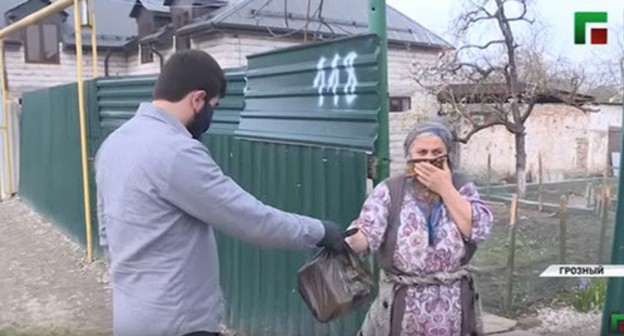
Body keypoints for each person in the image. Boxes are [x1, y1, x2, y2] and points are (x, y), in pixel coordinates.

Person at [94, 50, 347, 336]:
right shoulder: (177, 151)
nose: (211, 114)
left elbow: (106, 232)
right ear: (197, 99)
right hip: (179, 323)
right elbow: (251, 220)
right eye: (214, 105)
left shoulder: (113, 144)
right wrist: (320, 231)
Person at [345, 120, 494, 336]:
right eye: (421, 151)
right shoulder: (390, 190)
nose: (429, 158)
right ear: (409, 155)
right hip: (405, 306)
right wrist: (350, 240)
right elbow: (368, 233)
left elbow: (479, 229)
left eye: (437, 152)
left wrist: (444, 187)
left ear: (448, 155)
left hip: (454, 306)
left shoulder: (462, 186)